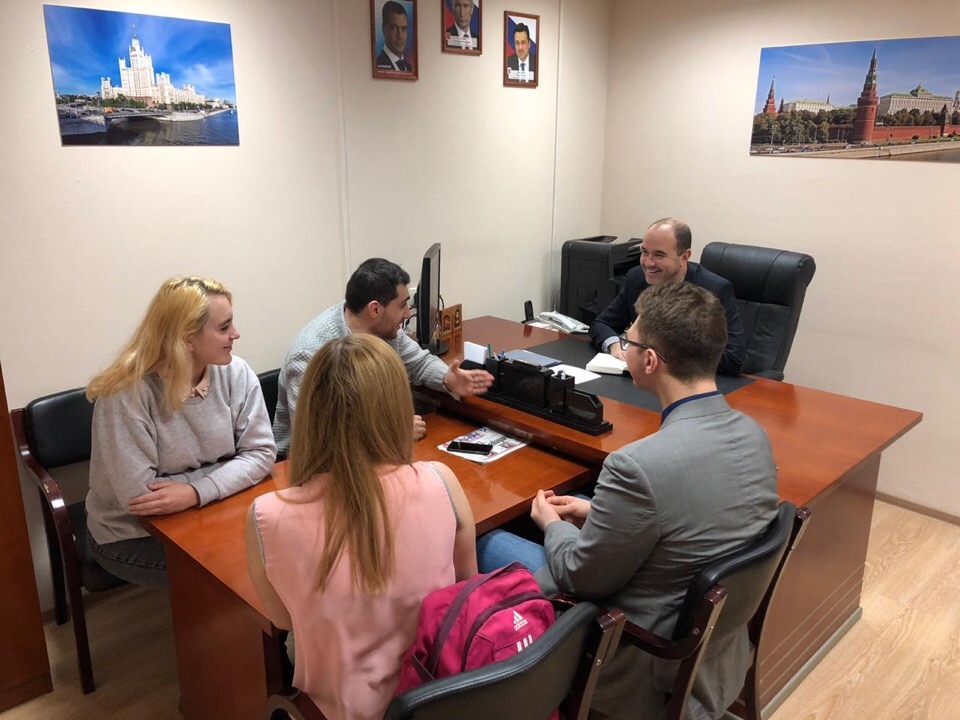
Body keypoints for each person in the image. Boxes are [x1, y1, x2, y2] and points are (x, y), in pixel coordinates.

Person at [478, 282, 779, 720]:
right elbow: (695, 519)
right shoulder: (755, 434)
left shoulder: (636, 466)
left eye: (629, 341)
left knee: (485, 539)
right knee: (579, 502)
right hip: (715, 655)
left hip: (637, 660)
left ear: (650, 361)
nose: (625, 347)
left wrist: (552, 525)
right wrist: (597, 512)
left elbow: (579, 578)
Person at [246, 334, 477, 720]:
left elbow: (285, 620)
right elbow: (466, 583)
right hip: (440, 691)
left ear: (310, 415)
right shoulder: (442, 480)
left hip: (343, 708)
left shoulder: (266, 517)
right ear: (398, 409)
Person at [85, 276, 276, 588]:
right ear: (187, 338)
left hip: (211, 509)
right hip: (132, 533)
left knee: (278, 552)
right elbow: (142, 498)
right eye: (224, 327)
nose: (236, 334)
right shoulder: (125, 394)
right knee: (235, 573)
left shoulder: (236, 372)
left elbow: (262, 453)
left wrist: (194, 491)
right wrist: (229, 470)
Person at [273, 257, 493, 457]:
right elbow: (316, 434)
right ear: (375, 309)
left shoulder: (381, 329)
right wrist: (389, 434)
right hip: (310, 462)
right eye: (402, 305)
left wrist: (448, 379)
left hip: (366, 448)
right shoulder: (310, 353)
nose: (407, 313)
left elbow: (419, 363)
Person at [589, 217, 745, 376]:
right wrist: (614, 345)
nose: (648, 263)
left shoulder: (713, 290)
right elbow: (602, 324)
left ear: (684, 257)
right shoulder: (636, 278)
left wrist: (660, 355)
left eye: (659, 255)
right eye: (645, 252)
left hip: (687, 381)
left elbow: (733, 359)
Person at [377, 1, 413, 71]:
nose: (400, 36)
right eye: (393, 28)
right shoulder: (377, 64)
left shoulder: (409, 67)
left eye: (403, 28)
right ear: (383, 29)